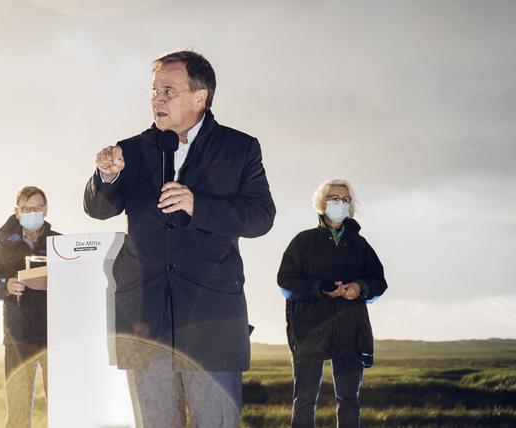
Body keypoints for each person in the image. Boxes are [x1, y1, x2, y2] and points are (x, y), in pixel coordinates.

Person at [83, 50, 277, 427]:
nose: (157, 98)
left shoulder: (240, 148)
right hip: (146, 318)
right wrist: (106, 178)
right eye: (154, 90)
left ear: (200, 97)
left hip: (210, 320)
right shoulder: (133, 149)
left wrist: (197, 205)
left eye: (168, 90)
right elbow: (99, 209)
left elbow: (261, 217)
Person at [276, 179, 387, 428]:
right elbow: (285, 281)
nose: (340, 203)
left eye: (345, 199)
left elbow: (379, 281)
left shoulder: (360, 245)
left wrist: (360, 287)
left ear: (351, 205)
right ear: (321, 203)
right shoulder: (303, 242)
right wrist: (321, 288)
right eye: (334, 198)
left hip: (350, 330)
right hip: (309, 330)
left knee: (349, 399)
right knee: (304, 400)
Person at [0, 186, 60, 428]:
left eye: (37, 208)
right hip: (17, 339)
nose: (32, 213)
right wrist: (6, 286)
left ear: (46, 210)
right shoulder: (4, 247)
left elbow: (78, 279)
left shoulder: (61, 243)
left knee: (62, 410)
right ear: (17, 212)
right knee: (17, 414)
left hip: (55, 338)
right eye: (26, 209)